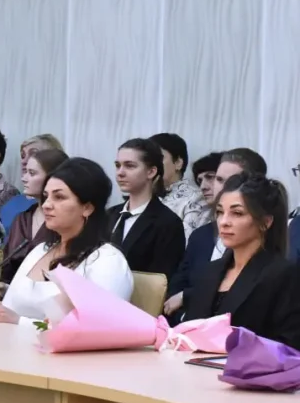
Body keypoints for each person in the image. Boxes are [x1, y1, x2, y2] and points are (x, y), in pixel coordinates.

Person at [0, 158, 133, 325]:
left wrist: (20, 321)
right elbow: (10, 309)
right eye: (46, 196)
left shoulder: (107, 260)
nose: (46, 205)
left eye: (59, 197)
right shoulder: (40, 250)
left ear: (87, 208)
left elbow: (100, 327)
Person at [184, 173, 300, 349]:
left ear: (265, 222)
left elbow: (288, 345)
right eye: (220, 212)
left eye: (237, 213)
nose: (224, 222)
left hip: (252, 365)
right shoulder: (210, 271)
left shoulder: (283, 274)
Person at [164, 149, 267, 318]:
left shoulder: (266, 245)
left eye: (231, 181)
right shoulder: (201, 235)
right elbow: (177, 285)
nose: (216, 187)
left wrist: (187, 296)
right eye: (218, 179)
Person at [107, 138, 185, 281]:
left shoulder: (168, 223)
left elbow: (162, 280)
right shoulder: (109, 215)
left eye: (130, 166)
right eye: (118, 165)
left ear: (151, 172)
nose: (120, 172)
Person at [1, 148, 69, 284]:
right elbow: (5, 266)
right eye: (25, 172)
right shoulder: (22, 219)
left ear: (52, 177)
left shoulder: (65, 222)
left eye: (32, 173)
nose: (23, 178)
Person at [149, 132, 208, 239]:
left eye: (158, 158)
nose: (151, 165)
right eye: (147, 159)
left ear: (178, 163)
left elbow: (188, 242)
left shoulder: (195, 198)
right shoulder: (142, 197)